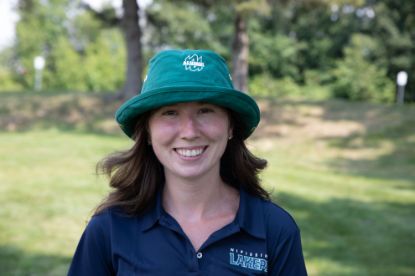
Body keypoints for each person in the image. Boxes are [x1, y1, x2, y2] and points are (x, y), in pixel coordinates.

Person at [68, 49, 307, 275]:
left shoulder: (274, 229)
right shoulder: (109, 229)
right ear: (148, 131)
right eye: (170, 112)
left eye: (205, 110)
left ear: (231, 126)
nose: (189, 131)